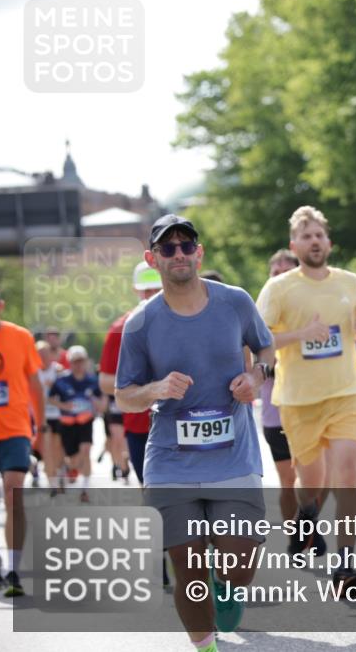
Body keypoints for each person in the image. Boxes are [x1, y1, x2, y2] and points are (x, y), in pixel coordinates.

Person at [115, 214, 275, 652]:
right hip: (170, 461)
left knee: (239, 563)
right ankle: (206, 647)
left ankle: (226, 586)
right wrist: (156, 388)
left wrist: (257, 376)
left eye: (187, 246)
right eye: (168, 249)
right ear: (153, 260)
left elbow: (266, 348)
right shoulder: (139, 324)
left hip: (233, 454)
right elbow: (124, 395)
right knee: (186, 568)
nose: (179, 254)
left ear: (199, 253)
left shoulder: (235, 301)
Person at [256, 206, 356, 597]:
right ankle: (306, 519)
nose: (314, 241)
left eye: (319, 235)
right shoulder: (279, 288)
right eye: (306, 236)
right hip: (299, 400)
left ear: (329, 242)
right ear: (295, 245)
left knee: (347, 475)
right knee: (313, 483)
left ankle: (346, 566)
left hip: (346, 392)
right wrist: (302, 334)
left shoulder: (349, 282)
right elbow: (258, 341)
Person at [0, 286, 46, 597]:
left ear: (0, 305)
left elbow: (35, 383)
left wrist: (40, 423)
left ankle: (14, 567)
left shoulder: (20, 337)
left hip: (15, 429)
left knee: (14, 493)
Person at [99, 260, 165, 487]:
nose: (153, 294)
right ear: (136, 290)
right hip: (139, 428)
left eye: (158, 289)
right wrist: (148, 386)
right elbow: (105, 382)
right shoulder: (121, 329)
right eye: (147, 290)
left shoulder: (189, 320)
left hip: (182, 423)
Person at [258, 250, 300, 524]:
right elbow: (259, 356)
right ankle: (295, 536)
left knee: (316, 479)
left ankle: (307, 524)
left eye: (288, 273)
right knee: (288, 480)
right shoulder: (260, 316)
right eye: (276, 274)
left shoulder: (314, 311)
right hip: (276, 412)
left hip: (312, 407)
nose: (282, 279)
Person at [48, 345, 105, 503]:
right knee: (72, 460)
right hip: (67, 423)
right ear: (70, 362)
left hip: (85, 421)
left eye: (81, 361)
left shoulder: (92, 381)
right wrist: (63, 406)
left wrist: (96, 402)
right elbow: (50, 398)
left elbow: (102, 402)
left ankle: (85, 489)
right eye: (75, 361)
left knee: (86, 451)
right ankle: (68, 467)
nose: (78, 364)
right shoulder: (62, 381)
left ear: (85, 362)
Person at [35, 341, 64, 495]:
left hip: (58, 414)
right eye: (40, 354)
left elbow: (66, 389)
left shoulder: (57, 370)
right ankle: (52, 483)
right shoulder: (33, 372)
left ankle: (58, 473)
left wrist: (56, 383)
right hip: (42, 416)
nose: (43, 357)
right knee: (47, 450)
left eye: (46, 353)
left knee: (57, 448)